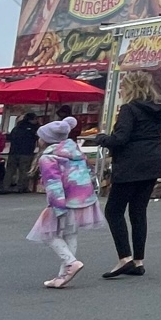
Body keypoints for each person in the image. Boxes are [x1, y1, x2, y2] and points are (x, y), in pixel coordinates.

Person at [99, 71, 161, 279]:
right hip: (152, 162)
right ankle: (138, 261)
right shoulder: (159, 109)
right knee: (138, 212)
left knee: (114, 211)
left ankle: (124, 258)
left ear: (131, 87)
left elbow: (121, 139)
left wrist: (101, 138)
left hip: (130, 165)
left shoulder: (129, 109)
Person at [29, 117, 104, 288]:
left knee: (47, 233)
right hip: (84, 199)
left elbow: (53, 184)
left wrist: (57, 206)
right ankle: (63, 275)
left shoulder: (48, 158)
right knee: (70, 233)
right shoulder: (76, 152)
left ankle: (70, 263)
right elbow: (89, 174)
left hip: (64, 201)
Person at [3, 115, 40, 193]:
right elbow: (37, 138)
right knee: (24, 170)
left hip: (13, 152)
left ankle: (5, 186)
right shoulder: (34, 128)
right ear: (32, 120)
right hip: (26, 152)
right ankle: (21, 187)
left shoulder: (17, 127)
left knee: (10, 170)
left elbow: (10, 137)